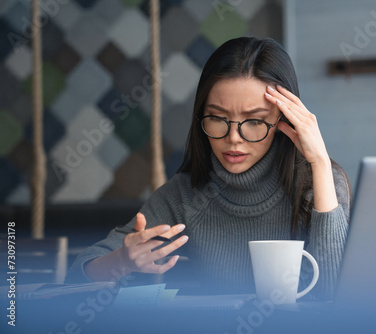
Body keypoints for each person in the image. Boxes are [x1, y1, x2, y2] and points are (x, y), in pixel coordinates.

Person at [66, 37, 351, 300]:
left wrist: (321, 164)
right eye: (217, 117)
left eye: (254, 120)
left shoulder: (321, 182)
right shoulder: (185, 195)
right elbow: (77, 275)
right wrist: (121, 262)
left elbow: (336, 295)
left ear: (284, 121)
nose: (233, 138)